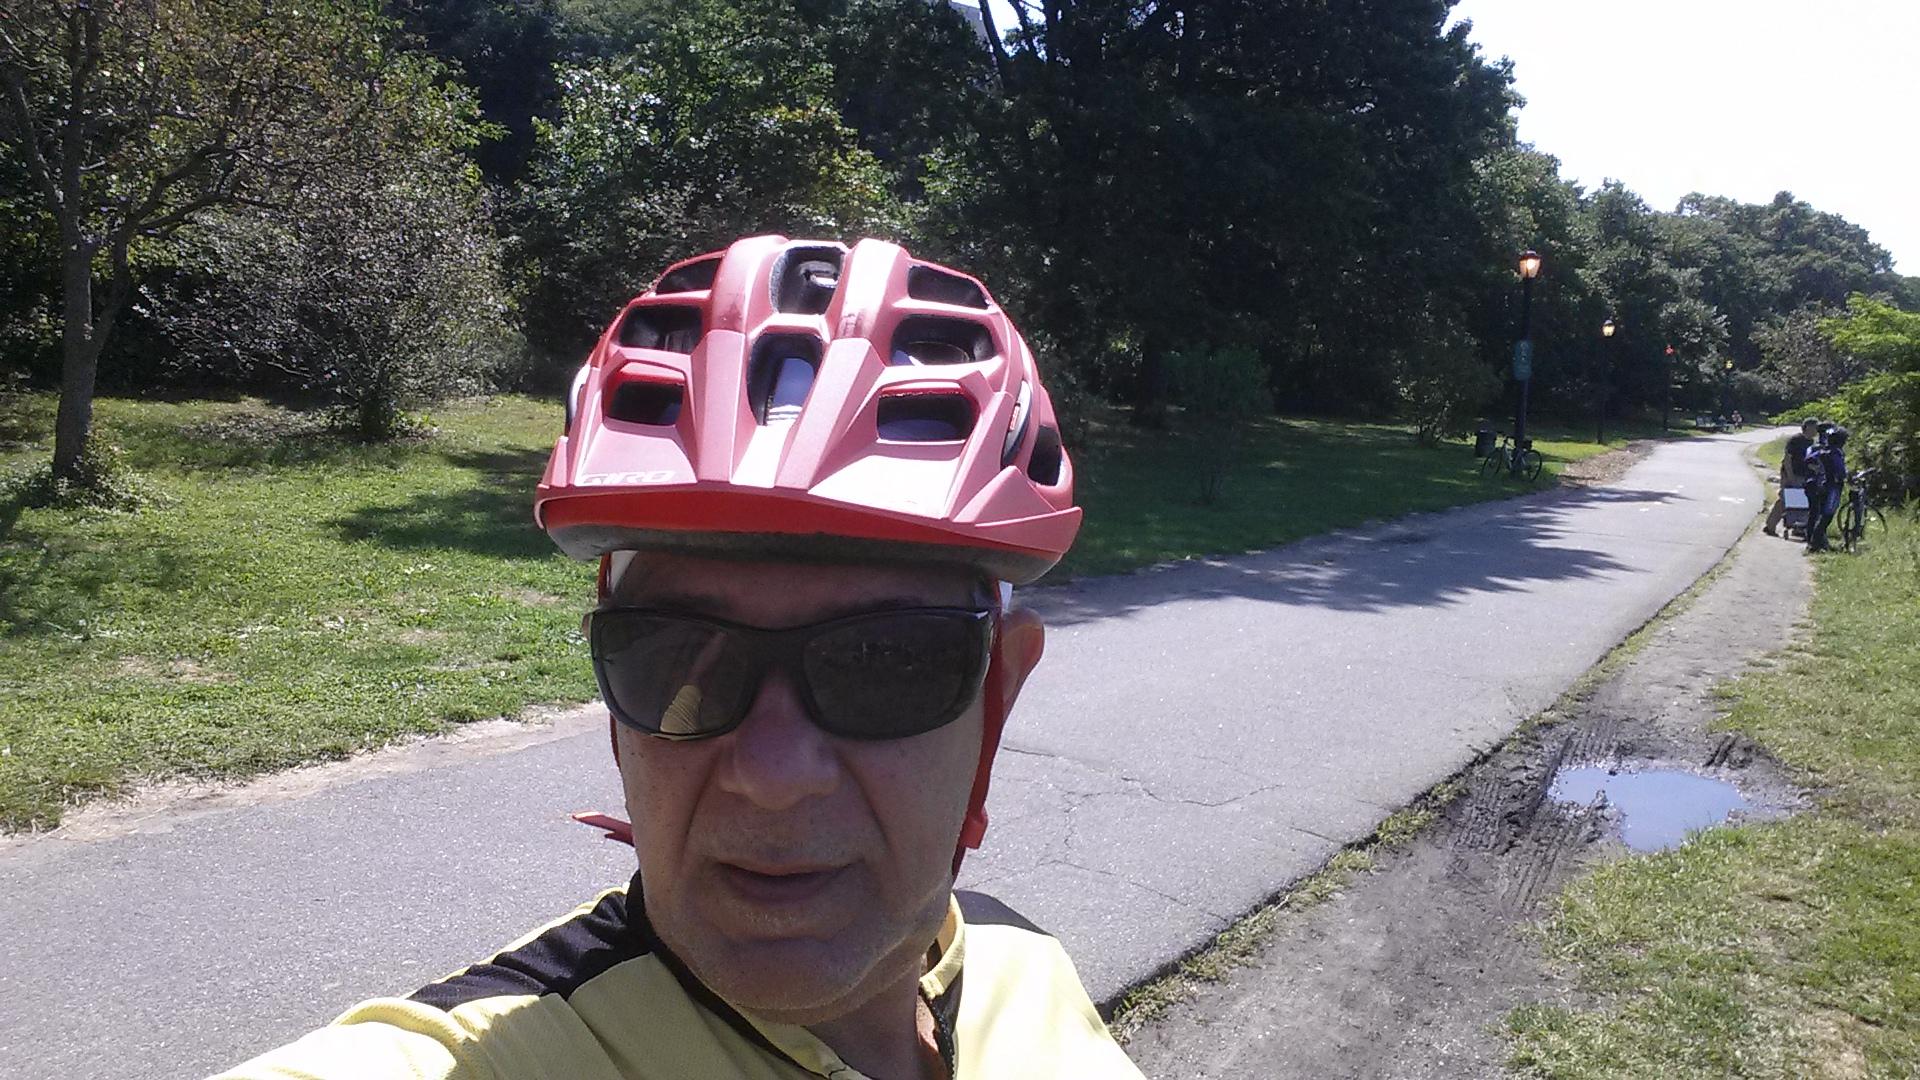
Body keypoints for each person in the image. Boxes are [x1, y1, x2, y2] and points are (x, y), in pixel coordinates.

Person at [215, 236, 1144, 1080]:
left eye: (885, 663)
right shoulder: (504, 1056)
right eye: (675, 658)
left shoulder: (1026, 971)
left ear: (998, 697)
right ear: (620, 718)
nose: (774, 777)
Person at [1764, 418, 1821, 536]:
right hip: (1791, 474)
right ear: (1808, 427)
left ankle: (1797, 527)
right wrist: (1790, 476)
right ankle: (1770, 526)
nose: (1817, 430)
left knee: (1799, 502)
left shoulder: (1812, 443)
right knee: (1785, 500)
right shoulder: (1796, 440)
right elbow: (1787, 459)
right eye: (1815, 427)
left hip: (1803, 475)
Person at [1804, 424, 1849, 552]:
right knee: (1826, 516)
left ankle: (1815, 542)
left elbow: (1808, 460)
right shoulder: (1835, 453)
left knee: (1818, 514)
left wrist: (1818, 469)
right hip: (1833, 487)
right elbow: (1841, 471)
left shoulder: (1823, 450)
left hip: (1822, 485)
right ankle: (1815, 543)